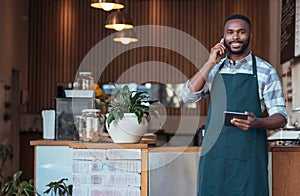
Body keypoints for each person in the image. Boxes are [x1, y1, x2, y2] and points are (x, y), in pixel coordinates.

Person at [182, 14, 287, 196]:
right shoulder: (214, 69)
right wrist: (210, 62)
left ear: (250, 36)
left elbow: (281, 117)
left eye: (241, 32)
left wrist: (257, 123)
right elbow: (188, 96)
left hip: (249, 159)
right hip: (214, 157)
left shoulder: (265, 71)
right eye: (230, 33)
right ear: (223, 38)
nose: (235, 37)